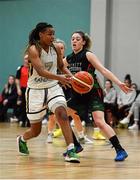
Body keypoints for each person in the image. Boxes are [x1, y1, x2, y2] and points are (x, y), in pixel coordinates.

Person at [16, 22, 80, 163]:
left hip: (52, 87)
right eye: (49, 34)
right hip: (35, 91)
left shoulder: (55, 48)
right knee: (36, 131)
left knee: (62, 114)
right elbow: (41, 71)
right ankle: (22, 139)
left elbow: (62, 66)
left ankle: (71, 150)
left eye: (53, 34)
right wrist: (60, 78)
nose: (53, 36)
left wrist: (73, 79)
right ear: (41, 34)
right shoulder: (33, 49)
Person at [64, 31, 130, 161]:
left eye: (77, 39)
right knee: (61, 116)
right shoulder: (69, 58)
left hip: (93, 93)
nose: (74, 41)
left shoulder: (88, 54)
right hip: (77, 95)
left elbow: (103, 70)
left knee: (99, 122)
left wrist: (118, 83)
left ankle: (120, 150)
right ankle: (76, 146)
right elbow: (55, 67)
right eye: (72, 39)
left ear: (83, 42)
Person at [15, 54, 30, 127]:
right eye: (25, 59)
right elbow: (17, 79)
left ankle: (29, 122)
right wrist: (18, 89)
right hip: (23, 89)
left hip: (31, 89)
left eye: (28, 59)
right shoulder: (20, 68)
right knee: (23, 105)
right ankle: (23, 121)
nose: (26, 60)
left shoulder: (32, 68)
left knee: (30, 106)